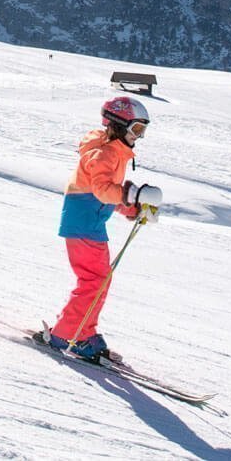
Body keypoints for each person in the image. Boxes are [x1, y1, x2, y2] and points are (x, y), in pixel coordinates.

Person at [46, 95, 163, 362]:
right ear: (119, 125)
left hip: (89, 223)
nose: (139, 136)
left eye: (142, 130)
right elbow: (101, 190)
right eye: (136, 129)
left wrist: (132, 207)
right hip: (83, 225)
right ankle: (66, 334)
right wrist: (130, 195)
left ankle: (83, 331)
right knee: (93, 281)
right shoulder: (104, 154)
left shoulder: (115, 153)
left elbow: (106, 196)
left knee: (99, 281)